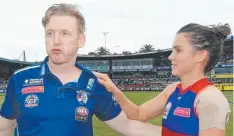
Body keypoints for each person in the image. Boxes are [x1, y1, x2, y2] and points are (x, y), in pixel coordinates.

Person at [0, 3, 162, 136]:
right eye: (50, 33)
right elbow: (4, 128)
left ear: (81, 40)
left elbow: (128, 126)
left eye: (65, 33)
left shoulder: (94, 83)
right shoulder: (21, 79)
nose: (56, 40)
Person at [95, 23, 232, 136]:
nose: (170, 56)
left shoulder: (210, 99)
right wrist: (115, 92)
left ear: (200, 56)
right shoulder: (172, 90)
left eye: (178, 50)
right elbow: (138, 114)